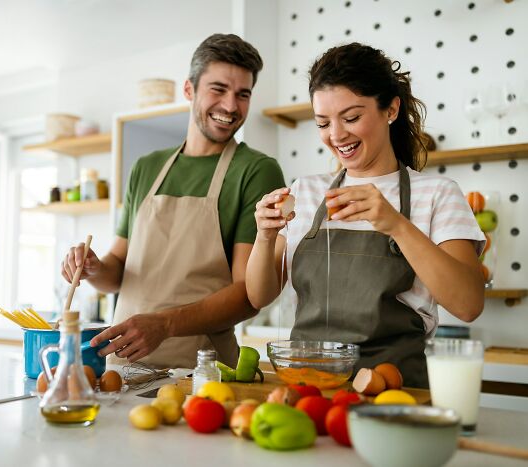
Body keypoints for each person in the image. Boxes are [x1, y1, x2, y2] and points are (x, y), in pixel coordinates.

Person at [245, 43, 485, 388]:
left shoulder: (437, 194)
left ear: (391, 109)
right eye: (323, 123)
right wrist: (264, 236)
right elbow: (258, 297)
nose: (336, 135)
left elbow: (468, 305)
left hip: (395, 391)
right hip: (309, 388)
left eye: (352, 117)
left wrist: (396, 225)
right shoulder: (307, 192)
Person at [62, 34, 285, 369]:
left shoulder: (256, 171)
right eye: (218, 89)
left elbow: (247, 295)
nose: (230, 106)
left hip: (200, 372)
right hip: (121, 366)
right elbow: (117, 271)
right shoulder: (146, 167)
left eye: (243, 94)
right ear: (189, 90)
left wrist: (164, 325)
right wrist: (93, 268)